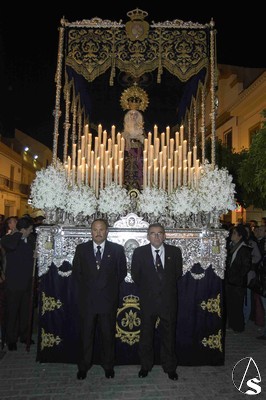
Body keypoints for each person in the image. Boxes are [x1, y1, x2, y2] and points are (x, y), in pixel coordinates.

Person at [72, 218, 127, 380]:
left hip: (107, 301)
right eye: (95, 230)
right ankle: (83, 366)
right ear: (91, 231)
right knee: (86, 336)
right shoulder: (81, 249)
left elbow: (121, 272)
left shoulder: (116, 250)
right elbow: (77, 273)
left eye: (101, 229)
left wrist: (106, 287)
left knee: (107, 335)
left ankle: (108, 366)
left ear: (107, 231)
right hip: (87, 301)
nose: (98, 233)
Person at [131, 223, 183, 381]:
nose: (157, 236)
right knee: (146, 335)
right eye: (153, 233)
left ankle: (170, 367)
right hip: (148, 301)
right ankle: (145, 366)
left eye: (160, 233)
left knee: (168, 336)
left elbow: (177, 273)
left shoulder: (174, 252)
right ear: (148, 236)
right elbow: (136, 275)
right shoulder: (139, 253)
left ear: (165, 235)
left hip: (168, 301)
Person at [0, 216, 35, 350]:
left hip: (27, 282)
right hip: (13, 283)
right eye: (29, 229)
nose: (31, 231)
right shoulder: (9, 239)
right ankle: (11, 339)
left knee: (26, 311)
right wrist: (19, 233)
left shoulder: (31, 240)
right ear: (24, 229)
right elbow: (11, 245)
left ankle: (24, 335)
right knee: (12, 312)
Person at [225, 224, 252, 333]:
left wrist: (237, 278)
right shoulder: (232, 246)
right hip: (230, 282)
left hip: (237, 283)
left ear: (240, 236)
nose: (232, 235)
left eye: (235, 233)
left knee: (237, 305)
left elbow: (246, 267)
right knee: (231, 305)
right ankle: (232, 325)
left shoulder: (244, 249)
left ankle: (238, 327)